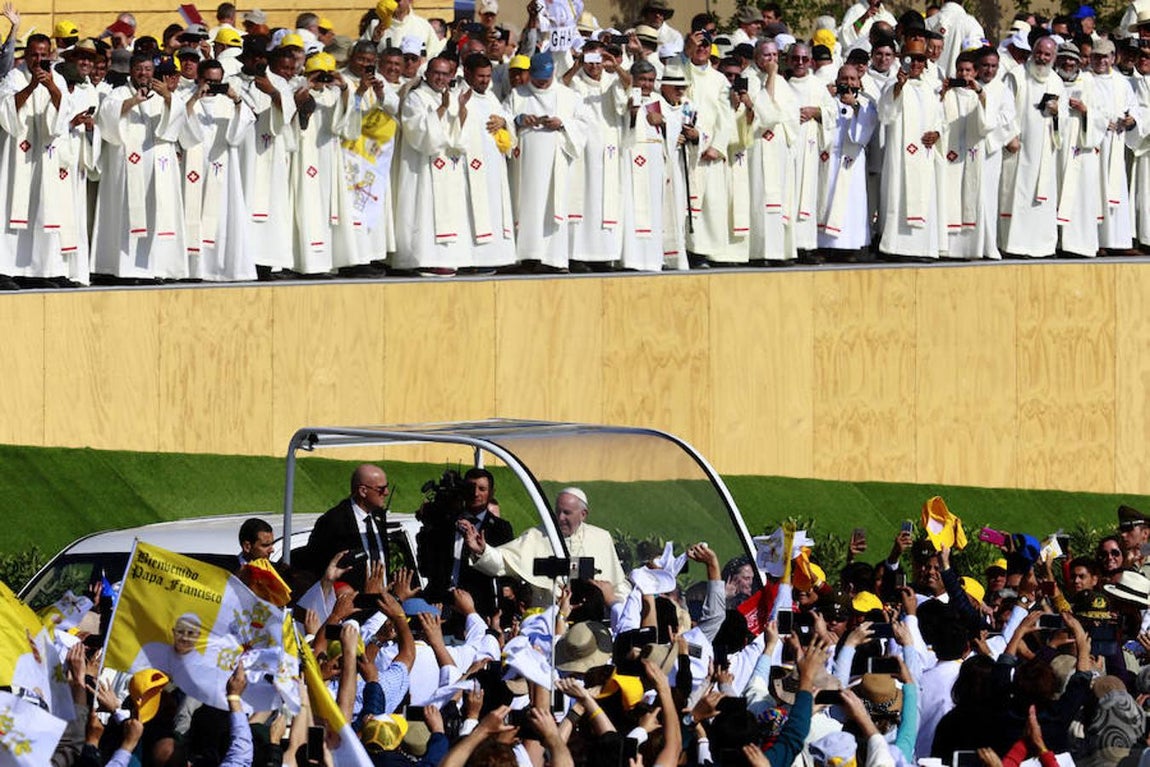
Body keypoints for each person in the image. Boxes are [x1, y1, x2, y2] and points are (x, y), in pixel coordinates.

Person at [92, 51, 190, 282]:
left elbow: (178, 124)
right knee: (125, 213)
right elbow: (106, 119)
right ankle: (124, 269)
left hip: (157, 167)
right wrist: (133, 101)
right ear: (131, 70)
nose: (143, 74)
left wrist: (167, 97)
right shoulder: (119, 93)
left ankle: (155, 268)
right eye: (139, 69)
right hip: (126, 167)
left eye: (147, 69)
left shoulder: (162, 94)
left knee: (156, 214)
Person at [462, 486, 630, 603]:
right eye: (557, 511)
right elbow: (503, 562)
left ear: (583, 514)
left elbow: (618, 584)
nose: (560, 518)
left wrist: (617, 604)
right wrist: (482, 551)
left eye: (567, 513)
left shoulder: (601, 538)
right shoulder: (536, 535)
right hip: (547, 618)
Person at [506, 52, 587, 272]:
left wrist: (563, 124)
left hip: (556, 163)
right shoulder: (518, 94)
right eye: (538, 78)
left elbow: (583, 125)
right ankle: (527, 257)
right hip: (526, 164)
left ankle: (553, 259)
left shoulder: (568, 96)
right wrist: (519, 120)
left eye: (546, 78)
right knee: (528, 205)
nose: (542, 83)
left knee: (553, 206)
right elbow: (503, 118)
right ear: (530, 74)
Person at [392, 54, 472, 274]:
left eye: (445, 74)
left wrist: (461, 109)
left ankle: (447, 257)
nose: (440, 78)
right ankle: (421, 258)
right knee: (424, 208)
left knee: (449, 209)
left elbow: (459, 136)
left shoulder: (452, 96)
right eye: (436, 73)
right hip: (422, 166)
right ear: (426, 73)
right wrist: (442, 109)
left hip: (447, 166)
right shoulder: (415, 97)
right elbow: (418, 132)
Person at [180, 58, 255, 281]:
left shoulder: (228, 102)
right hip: (192, 168)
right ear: (198, 78)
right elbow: (178, 124)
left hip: (222, 169)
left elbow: (238, 135)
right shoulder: (185, 97)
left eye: (217, 81)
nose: (213, 86)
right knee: (191, 212)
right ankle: (192, 268)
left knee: (222, 217)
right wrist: (195, 98)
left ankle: (220, 267)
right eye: (208, 81)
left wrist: (237, 99)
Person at [877, 36, 945, 260]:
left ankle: (923, 248)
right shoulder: (893, 84)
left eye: (919, 59)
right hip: (900, 153)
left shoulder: (930, 88)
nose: (915, 64)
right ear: (903, 60)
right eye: (911, 59)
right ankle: (897, 247)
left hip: (924, 154)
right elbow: (886, 113)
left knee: (925, 196)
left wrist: (937, 133)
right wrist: (898, 87)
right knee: (898, 192)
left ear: (925, 62)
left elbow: (940, 117)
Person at [999, 37, 1067, 258]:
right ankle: (1014, 245)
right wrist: (1009, 136)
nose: (1042, 58)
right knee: (1016, 195)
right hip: (1019, 150)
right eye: (1039, 52)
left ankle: (1042, 246)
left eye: (1047, 54)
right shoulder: (1017, 76)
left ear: (1053, 57)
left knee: (1042, 198)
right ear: (1032, 52)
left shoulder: (1056, 82)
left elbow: (1065, 119)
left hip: (1044, 152)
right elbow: (1004, 109)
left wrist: (1057, 113)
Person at [459, 52, 517, 270]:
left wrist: (504, 122)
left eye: (487, 76)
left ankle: (494, 257)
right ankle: (472, 259)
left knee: (494, 210)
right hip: (470, 166)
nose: (485, 81)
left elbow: (506, 119)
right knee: (472, 211)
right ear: (467, 73)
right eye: (480, 76)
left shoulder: (491, 97)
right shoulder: (459, 96)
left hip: (494, 167)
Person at [817, 65, 878, 254]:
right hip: (829, 159)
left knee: (851, 204)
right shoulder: (828, 100)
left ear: (859, 82)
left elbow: (865, 130)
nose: (849, 83)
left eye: (853, 79)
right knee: (825, 199)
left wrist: (855, 105)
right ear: (837, 80)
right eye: (844, 78)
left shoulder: (866, 103)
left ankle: (850, 246)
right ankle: (824, 245)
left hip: (852, 161)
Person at [303, 463, 390, 590]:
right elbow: (314, 566)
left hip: (384, 597)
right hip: (348, 598)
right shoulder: (333, 522)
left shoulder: (378, 516)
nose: (386, 493)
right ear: (363, 491)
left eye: (387, 487)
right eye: (381, 489)